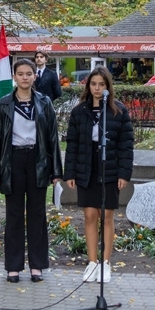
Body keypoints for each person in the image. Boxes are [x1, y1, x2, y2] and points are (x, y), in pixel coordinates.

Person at [0, 58, 63, 283]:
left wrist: (56, 171)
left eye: (28, 73)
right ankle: (13, 266)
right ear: (14, 76)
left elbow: (53, 138)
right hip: (13, 161)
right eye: (20, 74)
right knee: (13, 214)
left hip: (38, 160)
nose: (24, 77)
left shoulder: (45, 102)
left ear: (34, 76)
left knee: (37, 214)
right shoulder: (3, 104)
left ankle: (37, 265)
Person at [64, 66, 134, 283]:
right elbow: (72, 144)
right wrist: (70, 172)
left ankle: (105, 263)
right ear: (88, 86)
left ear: (108, 87)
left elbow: (126, 145)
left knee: (107, 215)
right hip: (87, 166)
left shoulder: (118, 111)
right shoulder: (79, 111)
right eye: (93, 84)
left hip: (109, 166)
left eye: (101, 85)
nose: (97, 88)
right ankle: (92, 263)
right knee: (90, 215)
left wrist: (124, 173)